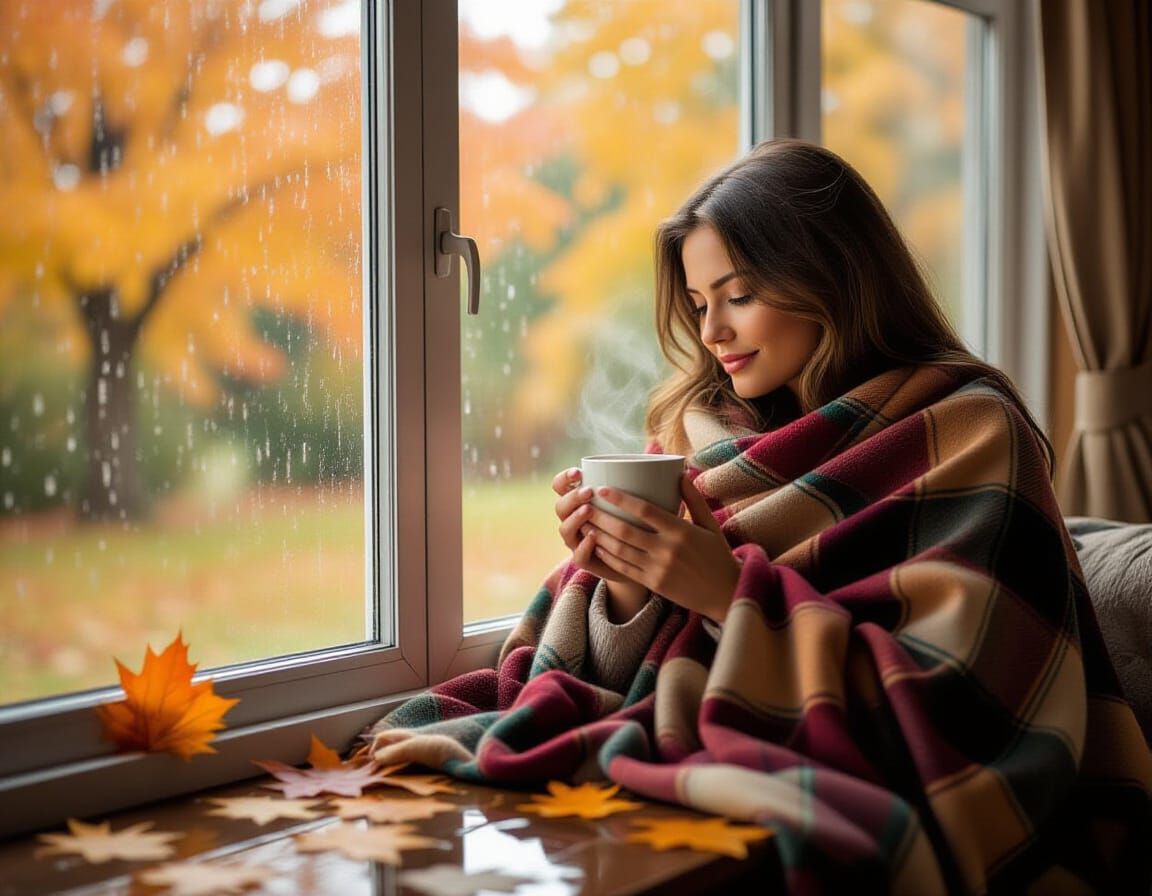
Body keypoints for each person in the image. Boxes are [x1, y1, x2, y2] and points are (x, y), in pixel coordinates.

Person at [368, 140, 1151, 893]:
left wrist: (725, 595)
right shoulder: (696, 436)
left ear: (837, 279)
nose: (712, 333)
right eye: (701, 303)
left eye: (739, 295)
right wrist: (624, 584)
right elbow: (605, 677)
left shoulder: (973, 430)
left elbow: (969, 710)